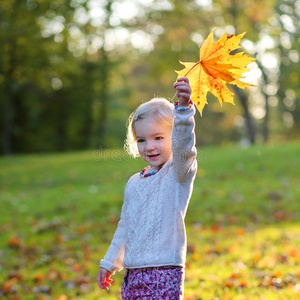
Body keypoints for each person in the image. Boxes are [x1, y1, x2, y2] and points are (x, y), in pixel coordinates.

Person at [97, 77, 197, 299]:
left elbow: (184, 146)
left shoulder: (177, 174)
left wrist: (182, 111)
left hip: (164, 269)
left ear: (173, 136)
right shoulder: (134, 182)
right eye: (141, 140)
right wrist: (110, 262)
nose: (149, 146)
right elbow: (125, 226)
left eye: (158, 137)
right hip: (133, 273)